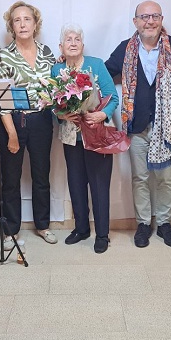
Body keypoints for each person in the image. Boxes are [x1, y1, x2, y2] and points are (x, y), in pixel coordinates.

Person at [105, 0, 171, 248]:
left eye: (155, 16)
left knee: (166, 179)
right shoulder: (125, 49)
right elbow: (103, 72)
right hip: (136, 127)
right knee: (140, 178)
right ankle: (143, 223)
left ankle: (165, 223)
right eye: (144, 17)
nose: (150, 21)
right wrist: (74, 65)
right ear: (135, 22)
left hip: (167, 127)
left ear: (162, 19)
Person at [0, 1, 57, 250]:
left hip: (41, 120)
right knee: (11, 178)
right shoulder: (4, 55)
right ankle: (10, 231)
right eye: (17, 20)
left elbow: (55, 88)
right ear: (11, 25)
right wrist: (11, 133)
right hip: (14, 122)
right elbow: (1, 101)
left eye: (27, 19)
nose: (22, 24)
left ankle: (43, 225)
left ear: (35, 24)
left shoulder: (47, 52)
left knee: (42, 175)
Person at [53, 24, 119, 254]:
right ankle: (81, 228)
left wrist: (102, 114)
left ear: (82, 44)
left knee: (99, 186)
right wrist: (62, 113)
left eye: (77, 39)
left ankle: (102, 234)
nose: (73, 42)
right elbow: (53, 104)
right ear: (61, 46)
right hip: (71, 136)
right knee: (76, 183)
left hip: (97, 132)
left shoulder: (96, 64)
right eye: (68, 39)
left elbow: (113, 97)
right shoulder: (56, 70)